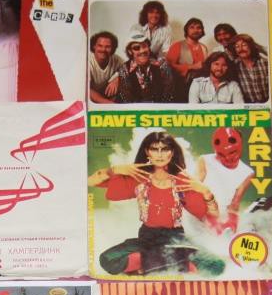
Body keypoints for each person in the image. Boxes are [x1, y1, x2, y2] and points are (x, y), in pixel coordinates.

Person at [89, 130, 219, 275]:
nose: (160, 154)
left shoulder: (183, 181)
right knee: (108, 260)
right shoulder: (138, 177)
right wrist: (114, 170)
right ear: (147, 152)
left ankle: (149, 266)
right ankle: (176, 263)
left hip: (174, 239)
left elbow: (212, 217)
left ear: (172, 152)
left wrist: (206, 192)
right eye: (154, 149)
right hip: (147, 239)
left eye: (165, 149)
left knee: (216, 265)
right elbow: (91, 181)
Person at [196, 127, 254, 232]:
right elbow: (196, 186)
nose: (227, 158)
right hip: (202, 208)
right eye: (221, 155)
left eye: (231, 153)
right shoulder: (205, 159)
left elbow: (235, 203)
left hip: (222, 214)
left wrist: (232, 224)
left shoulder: (247, 172)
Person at [117, 31, 171, 103]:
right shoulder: (124, 69)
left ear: (149, 48)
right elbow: (126, 99)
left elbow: (168, 94)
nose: (142, 51)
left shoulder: (162, 65)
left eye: (144, 46)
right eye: (136, 48)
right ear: (130, 51)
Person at [165, 18, 207, 100]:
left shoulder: (204, 48)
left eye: (199, 27)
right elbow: (168, 67)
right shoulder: (177, 46)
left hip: (200, 88)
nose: (196, 30)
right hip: (181, 88)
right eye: (192, 27)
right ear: (186, 30)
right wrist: (191, 66)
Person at [232, 34, 269, 104]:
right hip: (248, 106)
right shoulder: (234, 67)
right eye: (237, 46)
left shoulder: (265, 62)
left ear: (251, 46)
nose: (241, 49)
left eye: (244, 45)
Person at [88, 31, 124, 104]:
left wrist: (118, 79)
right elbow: (87, 90)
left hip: (106, 94)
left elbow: (129, 67)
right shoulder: (88, 61)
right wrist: (110, 104)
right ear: (94, 46)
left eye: (107, 47)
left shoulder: (116, 59)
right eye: (100, 45)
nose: (103, 49)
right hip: (91, 99)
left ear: (113, 48)